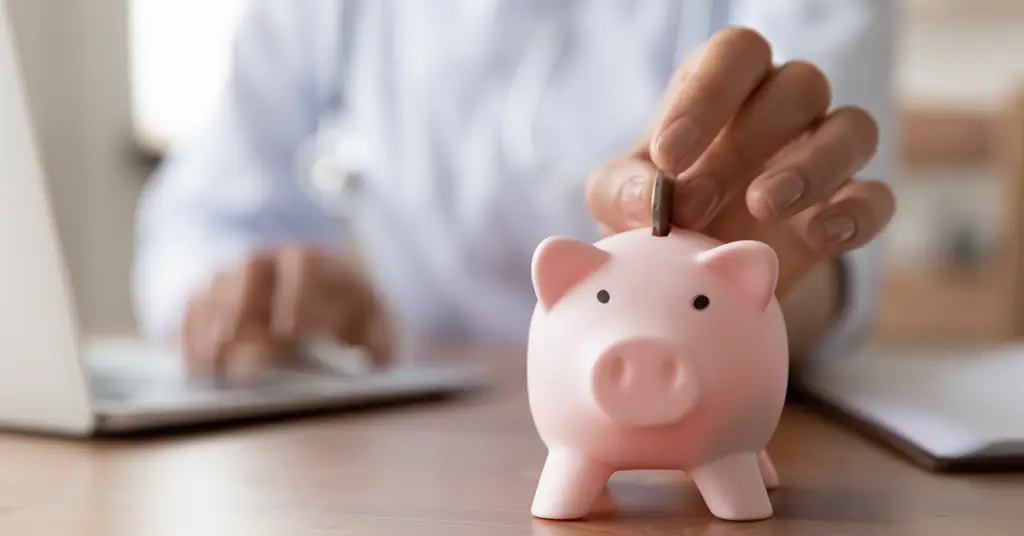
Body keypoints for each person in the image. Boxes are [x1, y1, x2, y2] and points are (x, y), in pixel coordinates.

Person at [131, 0, 896, 379]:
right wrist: (264, 296)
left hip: (712, 408)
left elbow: (809, 237)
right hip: (411, 437)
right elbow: (202, 217)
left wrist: (748, 277)